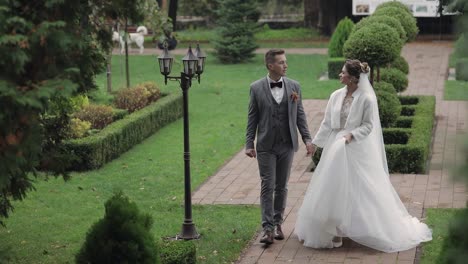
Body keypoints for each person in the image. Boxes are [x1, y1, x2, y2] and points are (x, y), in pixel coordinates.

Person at [294, 59, 432, 252]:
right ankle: (332, 229)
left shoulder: (366, 98)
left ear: (352, 78)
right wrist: (315, 144)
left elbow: (368, 125)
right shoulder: (335, 96)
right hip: (335, 147)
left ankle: (368, 228)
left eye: (343, 73)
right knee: (332, 187)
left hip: (355, 148)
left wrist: (352, 135)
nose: (340, 75)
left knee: (359, 188)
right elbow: (327, 123)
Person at [245, 49, 314, 245]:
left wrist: (307, 139)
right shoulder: (256, 88)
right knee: (267, 184)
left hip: (287, 145)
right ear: (270, 66)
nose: (286, 65)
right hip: (266, 145)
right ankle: (267, 228)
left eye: (285, 62)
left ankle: (277, 224)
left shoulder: (294, 86)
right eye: (282, 62)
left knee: (281, 186)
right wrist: (249, 143)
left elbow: (300, 115)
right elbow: (252, 117)